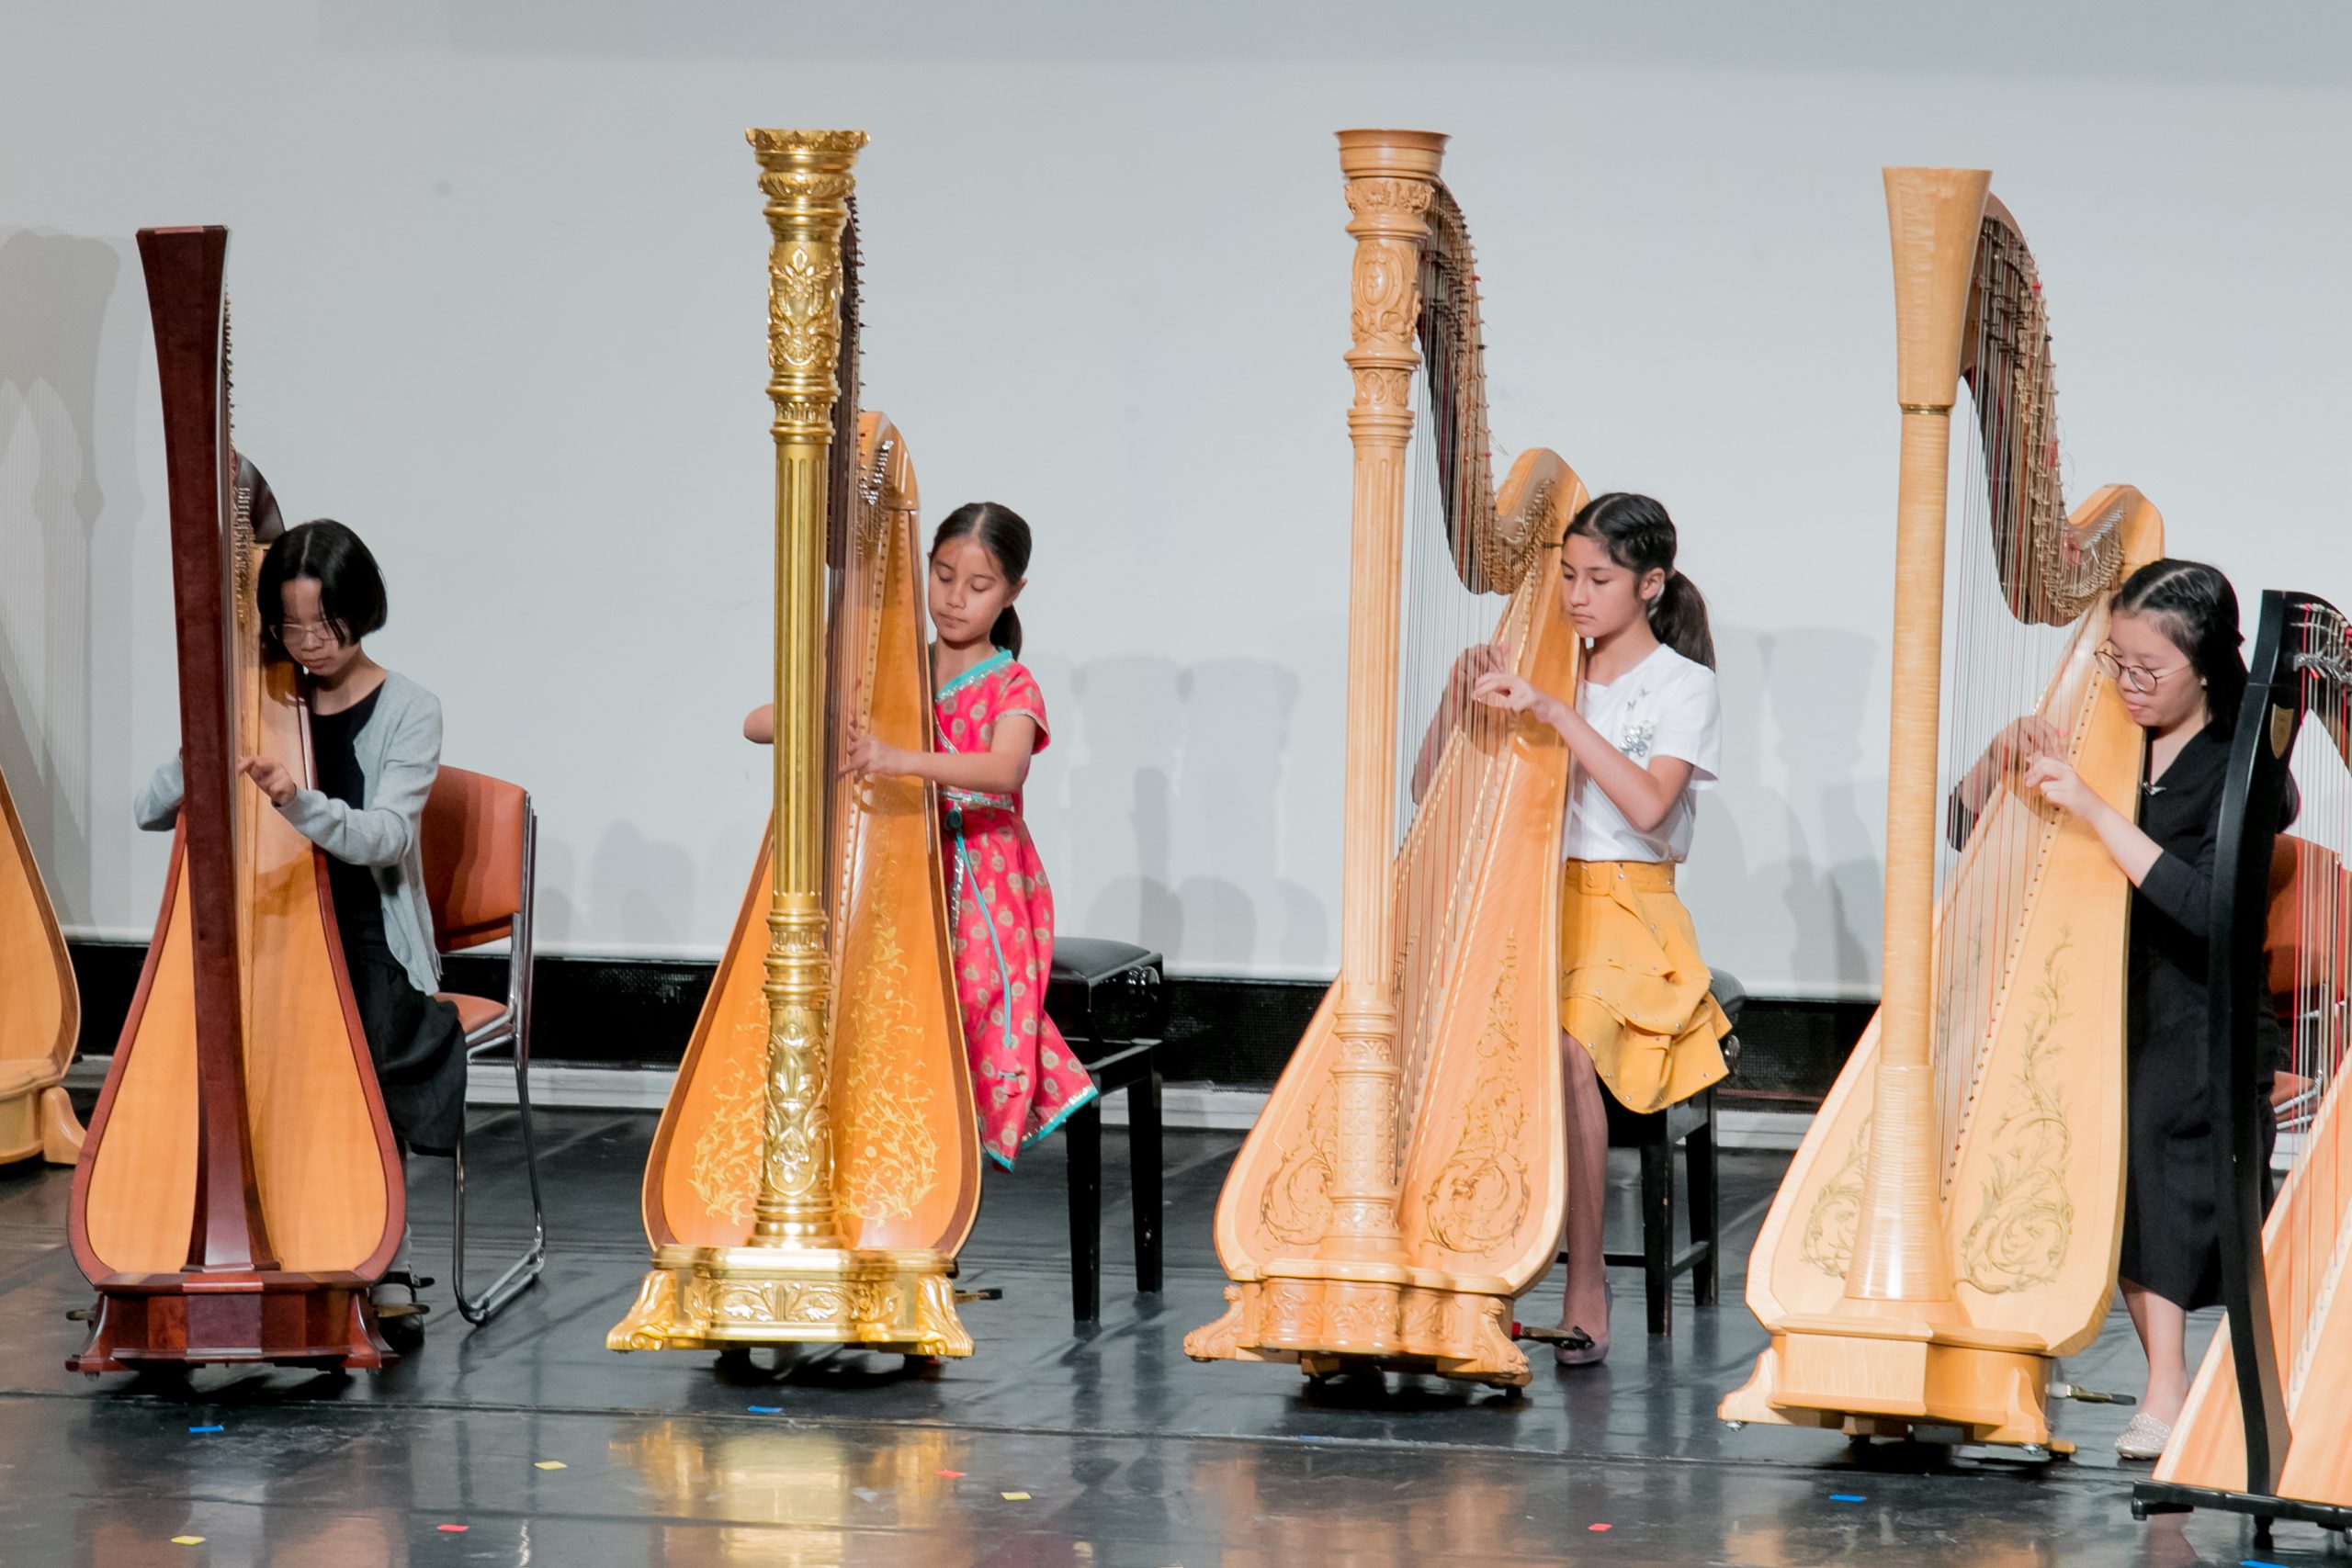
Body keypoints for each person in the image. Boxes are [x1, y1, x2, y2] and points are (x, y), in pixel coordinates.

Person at [137, 518, 459, 1335]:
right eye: (292, 627)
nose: (310, 643)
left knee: (369, 1040)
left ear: (362, 611)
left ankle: (382, 1251)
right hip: (266, 921)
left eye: (327, 625)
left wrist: (295, 800)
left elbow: (386, 836)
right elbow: (147, 812)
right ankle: (226, 1233)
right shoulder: (260, 699)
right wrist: (207, 733)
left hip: (364, 925)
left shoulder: (410, 708)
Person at [2005, 558, 2284, 1459]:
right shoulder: (2105, 738)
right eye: (2112, 665)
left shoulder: (2243, 776)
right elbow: (1964, 827)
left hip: (2206, 1011)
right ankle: (2015, 1345)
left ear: (2202, 667)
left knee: (2150, 1116)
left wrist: (2091, 808)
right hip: (2102, 993)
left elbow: (2209, 913)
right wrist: (2001, 758)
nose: (2126, 686)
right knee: (2046, 1105)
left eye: (2145, 671)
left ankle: (2164, 1380)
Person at [1467, 491, 1733, 1365]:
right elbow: (1438, 781)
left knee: (1566, 1045)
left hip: (1630, 912)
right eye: (1568, 576)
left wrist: (1553, 712)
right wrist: (1459, 696)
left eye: (1600, 578)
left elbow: (1652, 808)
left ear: (1649, 585)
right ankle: (1469, 1261)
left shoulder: (1683, 686)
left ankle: (1586, 1278)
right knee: (1464, 1024)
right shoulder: (1546, 662)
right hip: (1533, 898)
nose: (1577, 595)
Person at [748, 501, 1092, 1168]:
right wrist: (827, 708)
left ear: (1014, 592)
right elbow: (756, 724)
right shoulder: (889, 671)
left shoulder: (1011, 682)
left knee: (952, 999)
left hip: (980, 875)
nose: (955, 599)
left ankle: (937, 1169)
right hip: (897, 868)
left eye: (979, 585)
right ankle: (870, 1162)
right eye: (942, 576)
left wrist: (899, 759)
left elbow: (1005, 768)